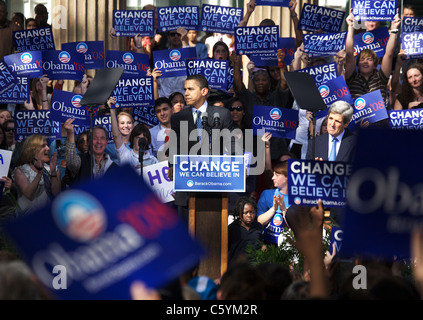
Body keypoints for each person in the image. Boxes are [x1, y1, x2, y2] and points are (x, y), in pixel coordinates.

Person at [168, 74, 240, 219]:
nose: (186, 93)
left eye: (190, 89)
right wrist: (171, 165)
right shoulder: (178, 117)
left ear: (204, 91)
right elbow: (174, 145)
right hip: (187, 187)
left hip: (213, 184)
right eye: (185, 89)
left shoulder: (222, 114)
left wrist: (238, 163)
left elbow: (232, 142)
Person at [345, 9, 402, 108]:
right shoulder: (352, 78)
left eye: (369, 59)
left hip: (379, 122)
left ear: (375, 64)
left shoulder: (381, 77)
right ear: (357, 64)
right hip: (358, 122)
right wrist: (350, 27)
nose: (365, 62)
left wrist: (393, 29)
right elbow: (349, 54)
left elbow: (388, 54)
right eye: (362, 60)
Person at [12, 134, 60, 214]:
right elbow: (28, 194)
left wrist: (53, 173)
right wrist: (39, 173)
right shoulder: (21, 171)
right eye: (43, 146)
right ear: (32, 150)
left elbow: (56, 194)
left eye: (47, 145)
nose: (48, 148)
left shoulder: (53, 168)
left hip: (46, 216)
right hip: (27, 219)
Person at [256, 161, 291, 245]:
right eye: (273, 174)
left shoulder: (297, 199)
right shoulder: (267, 194)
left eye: (277, 175)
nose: (273, 178)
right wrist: (273, 209)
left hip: (288, 245)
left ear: (287, 177)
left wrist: (283, 210)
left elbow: (297, 227)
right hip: (267, 245)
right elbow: (259, 222)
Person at [228, 197, 263, 267]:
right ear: (240, 213)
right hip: (236, 267)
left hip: (254, 267)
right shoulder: (232, 228)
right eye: (246, 213)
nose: (249, 215)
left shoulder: (258, 226)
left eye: (252, 212)